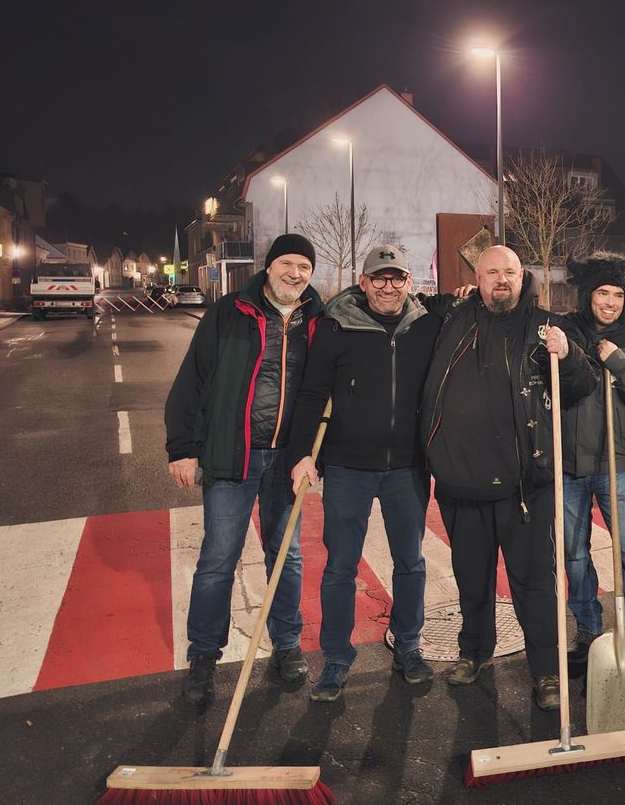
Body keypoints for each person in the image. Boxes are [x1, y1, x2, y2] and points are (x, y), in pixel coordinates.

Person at [420, 245, 598, 711]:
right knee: (471, 578)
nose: (502, 279)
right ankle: (473, 652)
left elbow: (582, 386)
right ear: (476, 277)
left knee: (535, 583)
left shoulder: (545, 327)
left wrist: (570, 355)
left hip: (525, 484)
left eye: (510, 272)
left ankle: (546, 672)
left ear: (523, 277)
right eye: (492, 272)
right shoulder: (450, 320)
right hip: (461, 482)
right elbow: (393, 306)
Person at [285, 245, 453, 702]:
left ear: (409, 282)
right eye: (379, 278)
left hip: (407, 467)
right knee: (340, 566)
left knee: (410, 563)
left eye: (397, 278)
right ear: (363, 282)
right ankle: (336, 659)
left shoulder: (427, 327)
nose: (388, 287)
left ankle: (410, 646)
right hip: (346, 466)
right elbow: (311, 393)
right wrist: (302, 455)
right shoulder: (337, 328)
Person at [165, 233, 323, 707]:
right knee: (218, 559)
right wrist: (183, 448)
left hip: (288, 460)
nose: (296, 274)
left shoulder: (319, 320)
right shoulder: (228, 313)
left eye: (305, 267)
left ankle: (288, 645)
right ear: (270, 266)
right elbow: (191, 381)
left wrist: (314, 454)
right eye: (288, 264)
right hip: (233, 455)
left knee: (287, 555)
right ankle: (203, 657)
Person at [560, 252, 625, 658]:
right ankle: (587, 629)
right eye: (602, 293)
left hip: (615, 464)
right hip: (568, 465)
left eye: (617, 295)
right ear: (588, 295)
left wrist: (618, 361)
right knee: (574, 556)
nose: (609, 302)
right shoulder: (563, 331)